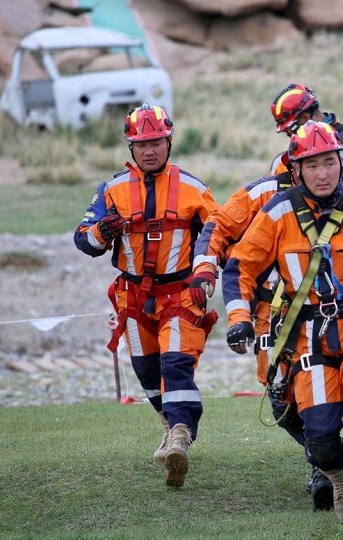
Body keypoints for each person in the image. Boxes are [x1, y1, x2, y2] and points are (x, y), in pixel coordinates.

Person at [222, 120, 343, 537]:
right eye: (312, 165)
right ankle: (342, 480)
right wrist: (239, 319)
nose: (322, 173)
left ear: (341, 163)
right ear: (296, 169)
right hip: (307, 337)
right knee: (319, 435)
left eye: (329, 162)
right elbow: (240, 270)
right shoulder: (277, 211)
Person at [74, 103, 218, 488]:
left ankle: (180, 437)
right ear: (130, 148)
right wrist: (103, 231)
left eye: (156, 142)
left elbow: (220, 237)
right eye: (142, 144)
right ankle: (171, 424)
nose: (149, 150)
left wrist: (209, 273)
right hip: (133, 296)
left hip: (181, 294)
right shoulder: (111, 190)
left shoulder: (194, 189)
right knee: (147, 372)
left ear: (169, 143)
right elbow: (83, 241)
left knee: (176, 363)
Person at [190, 146, 337, 512]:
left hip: (327, 309)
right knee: (279, 400)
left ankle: (327, 467)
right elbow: (217, 228)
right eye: (306, 165)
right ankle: (323, 454)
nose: (317, 173)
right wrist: (205, 268)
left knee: (332, 387)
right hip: (270, 310)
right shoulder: (264, 193)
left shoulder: (341, 194)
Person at [268, 83, 343, 195]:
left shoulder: (340, 138)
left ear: (304, 119)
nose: (290, 136)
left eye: (290, 130)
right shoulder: (282, 160)